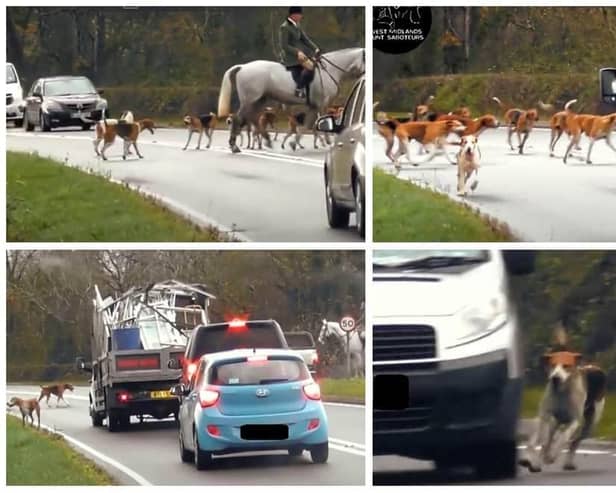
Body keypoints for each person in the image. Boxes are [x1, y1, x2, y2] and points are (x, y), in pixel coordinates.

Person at [279, 7, 320, 99]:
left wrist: (315, 48)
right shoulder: (284, 27)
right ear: (293, 15)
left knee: (313, 66)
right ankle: (299, 89)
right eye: (299, 14)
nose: (301, 16)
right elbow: (284, 45)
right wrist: (297, 52)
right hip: (290, 56)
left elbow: (305, 39)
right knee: (310, 68)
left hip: (300, 55)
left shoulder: (297, 25)